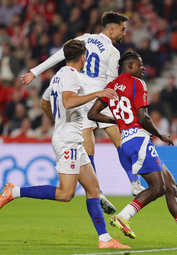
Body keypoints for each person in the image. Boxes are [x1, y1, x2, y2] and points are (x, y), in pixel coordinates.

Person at [0, 39, 130, 250]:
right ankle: (14, 191)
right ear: (82, 57)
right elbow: (68, 101)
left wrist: (59, 121)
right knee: (65, 194)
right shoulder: (71, 75)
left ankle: (104, 239)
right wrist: (97, 93)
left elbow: (44, 103)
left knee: (93, 188)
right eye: (86, 56)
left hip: (72, 140)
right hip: (68, 142)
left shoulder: (57, 76)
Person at [88, 51, 177, 246]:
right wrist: (160, 135)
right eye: (140, 65)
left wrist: (117, 120)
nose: (143, 69)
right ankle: (123, 217)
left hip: (127, 141)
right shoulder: (137, 83)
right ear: (130, 66)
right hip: (139, 140)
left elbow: (92, 113)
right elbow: (143, 118)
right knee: (158, 187)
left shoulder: (111, 86)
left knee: (171, 187)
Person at [21, 11, 145, 214]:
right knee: (120, 140)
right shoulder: (113, 53)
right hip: (97, 98)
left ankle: (98, 191)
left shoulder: (84, 39)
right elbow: (111, 84)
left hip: (80, 95)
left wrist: (34, 72)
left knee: (87, 144)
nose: (124, 33)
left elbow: (59, 55)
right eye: (123, 29)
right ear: (111, 29)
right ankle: (134, 183)